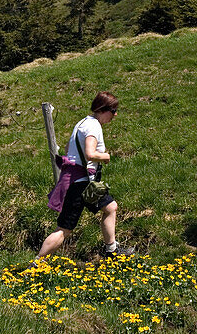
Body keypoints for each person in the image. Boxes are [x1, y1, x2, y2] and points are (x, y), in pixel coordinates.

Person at [37, 92, 134, 260]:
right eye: (114, 110)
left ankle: (111, 250)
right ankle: (37, 263)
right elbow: (90, 153)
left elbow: (68, 148)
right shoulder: (94, 126)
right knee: (64, 230)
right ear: (104, 109)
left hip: (78, 180)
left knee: (110, 207)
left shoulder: (83, 122)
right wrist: (106, 156)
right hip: (81, 184)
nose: (115, 115)